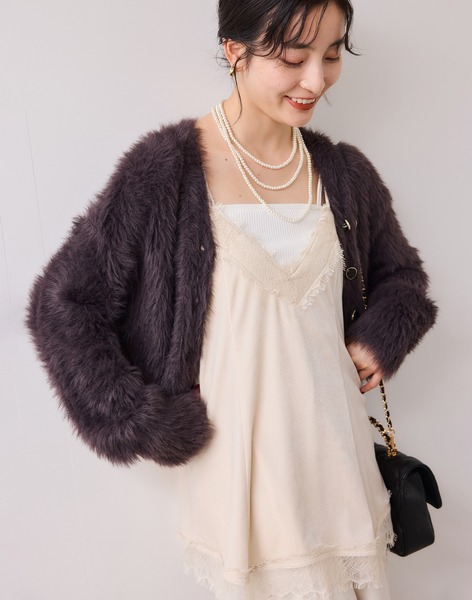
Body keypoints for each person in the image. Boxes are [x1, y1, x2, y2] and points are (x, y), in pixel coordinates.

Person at [26, 0, 437, 598]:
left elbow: (402, 279)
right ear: (235, 50)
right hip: (238, 477)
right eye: (294, 58)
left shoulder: (345, 174)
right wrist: (142, 418)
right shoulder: (165, 174)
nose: (316, 80)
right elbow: (64, 304)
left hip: (339, 467)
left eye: (331, 55)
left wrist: (381, 336)